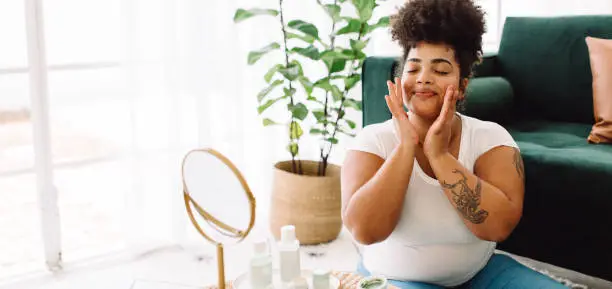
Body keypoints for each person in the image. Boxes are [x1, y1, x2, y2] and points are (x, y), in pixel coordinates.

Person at [340, 0, 567, 288]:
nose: (423, 78)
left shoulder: (491, 138)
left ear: (461, 87)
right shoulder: (372, 140)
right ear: (399, 81)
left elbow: (498, 227)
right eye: (413, 69)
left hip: (480, 275)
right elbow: (365, 231)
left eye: (441, 70)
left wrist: (439, 155)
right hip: (396, 277)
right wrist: (406, 147)